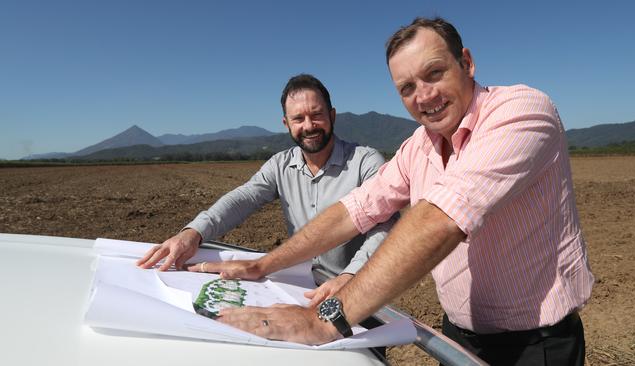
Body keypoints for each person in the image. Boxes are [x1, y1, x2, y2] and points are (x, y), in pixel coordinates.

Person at [201, 17, 594, 365]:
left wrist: (323, 320)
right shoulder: (418, 146)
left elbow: (440, 219)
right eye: (407, 87)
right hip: (458, 336)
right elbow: (355, 210)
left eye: (434, 73)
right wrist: (263, 265)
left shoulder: (521, 111)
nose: (424, 96)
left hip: (533, 347)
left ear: (467, 63)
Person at [137, 73, 396, 306]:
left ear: (332, 115)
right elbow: (243, 198)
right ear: (286, 123)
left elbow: (385, 227)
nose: (309, 125)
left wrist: (351, 277)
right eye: (298, 118)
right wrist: (193, 233)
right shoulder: (280, 165)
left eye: (317, 114)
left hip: (357, 292)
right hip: (298, 289)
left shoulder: (365, 162)